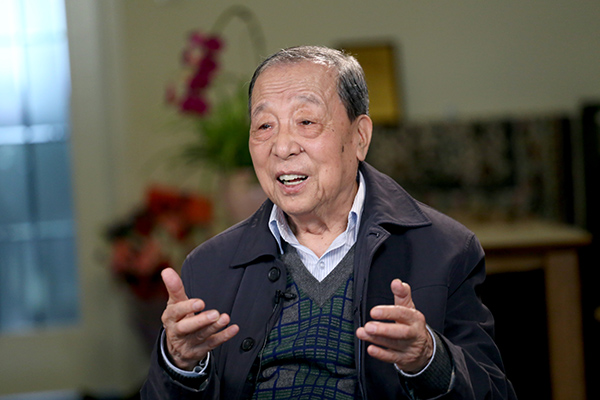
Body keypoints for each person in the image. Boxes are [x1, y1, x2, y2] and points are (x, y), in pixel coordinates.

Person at [142, 45, 517, 399]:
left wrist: (427, 358)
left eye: (306, 121)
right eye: (264, 126)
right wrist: (180, 365)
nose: (282, 147)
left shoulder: (445, 250)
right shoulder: (209, 266)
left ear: (360, 137)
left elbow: (494, 391)